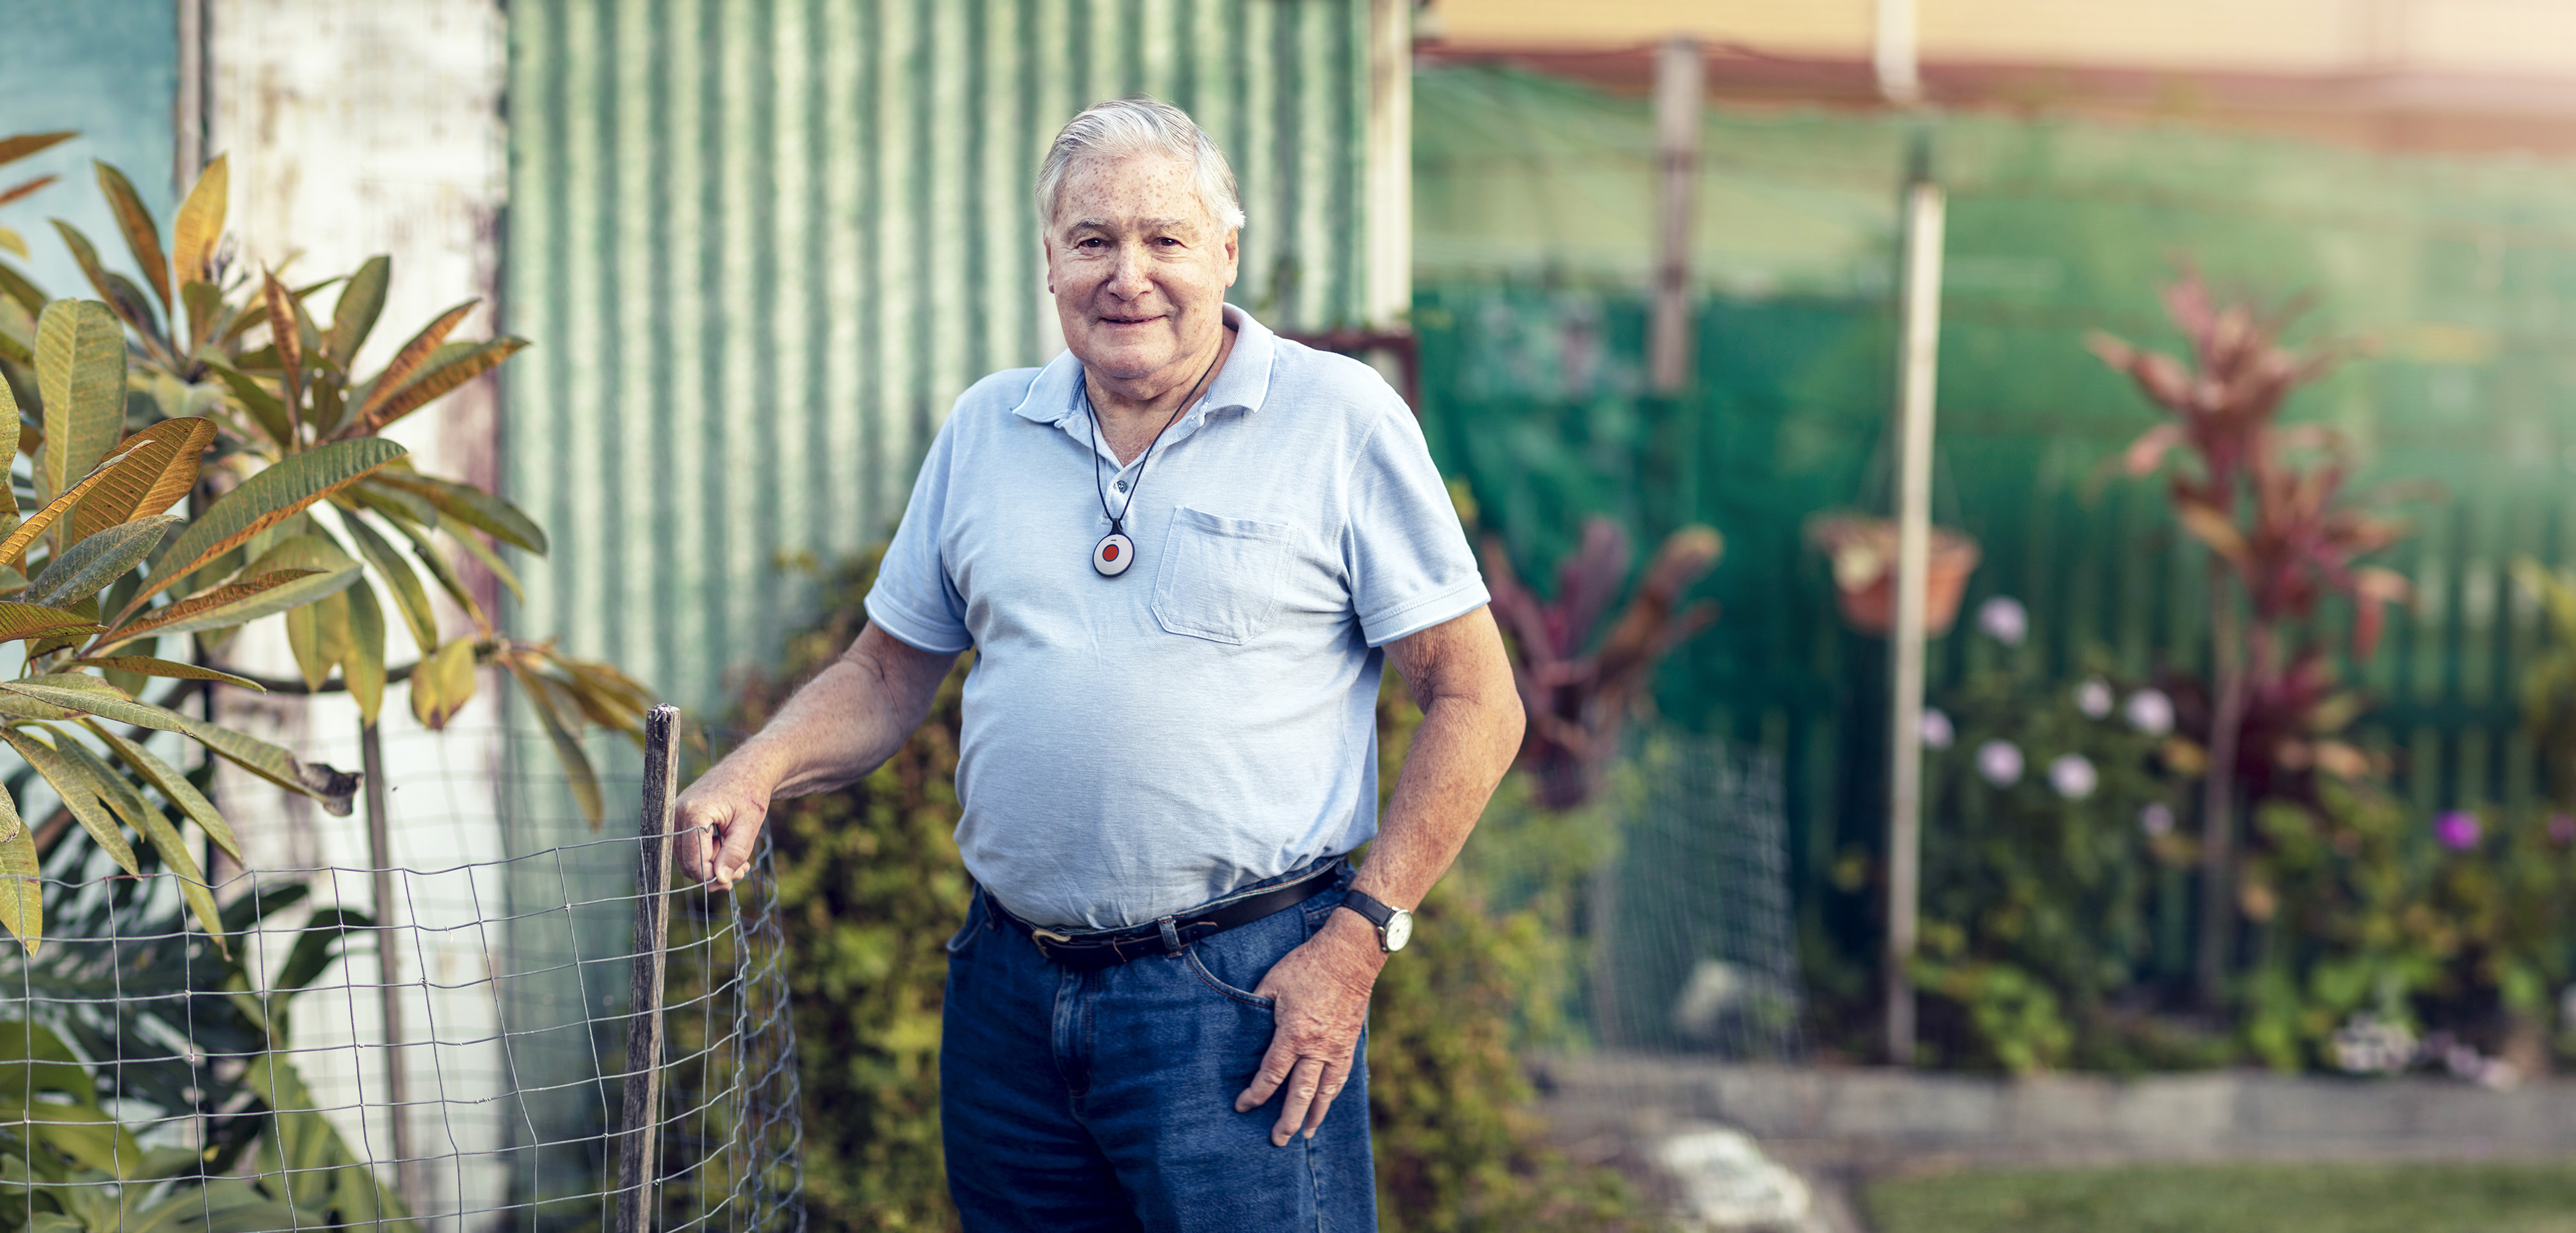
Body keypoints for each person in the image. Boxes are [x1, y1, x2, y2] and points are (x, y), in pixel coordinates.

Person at [674, 96, 1523, 1232]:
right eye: (1093, 241)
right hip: (1009, 994)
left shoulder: (1339, 420)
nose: (1129, 274)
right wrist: (761, 766)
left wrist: (1362, 935)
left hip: (1243, 996)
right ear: (1050, 263)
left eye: (1164, 238)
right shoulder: (988, 430)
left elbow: (1478, 699)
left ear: (1227, 251)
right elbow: (886, 673)